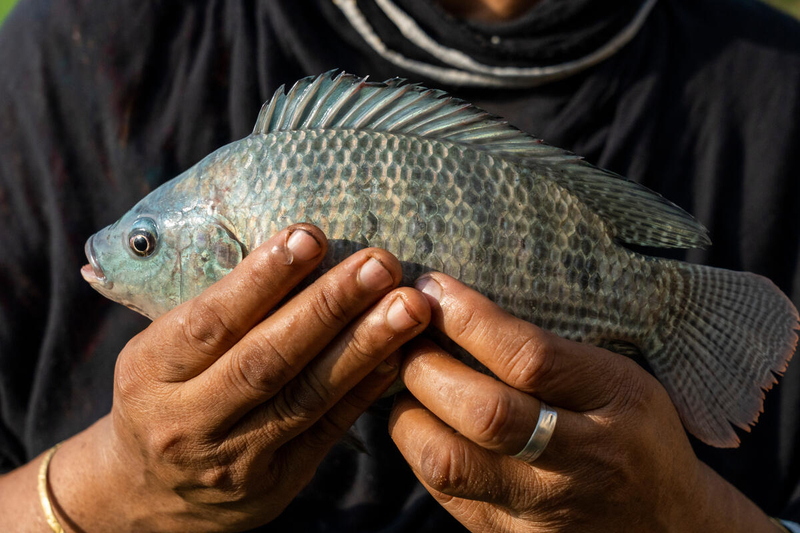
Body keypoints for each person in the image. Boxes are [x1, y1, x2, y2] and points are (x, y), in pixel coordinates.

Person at [0, 0, 799, 531]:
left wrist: (682, 511)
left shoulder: (775, 95)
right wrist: (114, 486)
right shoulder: (65, 59)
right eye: (149, 243)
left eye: (146, 244)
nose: (124, 254)